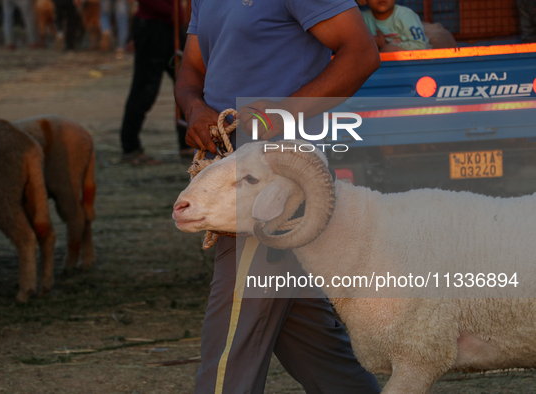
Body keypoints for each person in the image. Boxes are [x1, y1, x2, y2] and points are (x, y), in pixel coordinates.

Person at [175, 0, 381, 392]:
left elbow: (361, 53)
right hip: (232, 173)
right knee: (313, 345)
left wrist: (280, 115)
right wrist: (194, 106)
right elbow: (192, 68)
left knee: (230, 347)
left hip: (274, 185)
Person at [119, 0, 191, 164]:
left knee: (187, 85)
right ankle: (130, 148)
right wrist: (172, 12)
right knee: (145, 89)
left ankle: (187, 142)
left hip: (170, 27)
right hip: (154, 27)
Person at [359, 0, 431, 52]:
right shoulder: (361, 20)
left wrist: (385, 46)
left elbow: (421, 46)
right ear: (363, 1)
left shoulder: (406, 16)